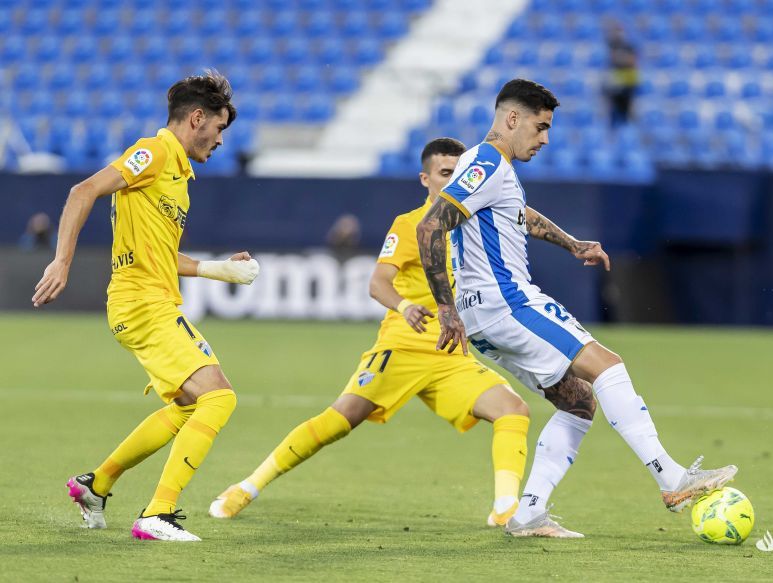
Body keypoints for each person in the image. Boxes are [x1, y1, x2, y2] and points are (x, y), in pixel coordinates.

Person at [416, 79, 737, 538]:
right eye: (540, 127)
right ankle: (671, 478)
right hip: (504, 300)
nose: (545, 139)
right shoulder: (487, 162)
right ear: (512, 119)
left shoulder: (489, 168)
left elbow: (518, 216)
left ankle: (527, 513)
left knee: (578, 401)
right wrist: (444, 308)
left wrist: (571, 244)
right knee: (607, 366)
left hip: (482, 317)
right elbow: (430, 228)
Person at [208, 138, 532, 528]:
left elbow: (523, 218)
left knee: (513, 410)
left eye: (457, 174)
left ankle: (506, 510)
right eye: (444, 174)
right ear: (425, 178)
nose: (451, 182)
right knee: (341, 418)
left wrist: (571, 243)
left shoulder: (475, 222)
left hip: (451, 355)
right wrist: (405, 306)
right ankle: (246, 487)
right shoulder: (410, 225)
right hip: (404, 346)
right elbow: (378, 283)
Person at [32, 71, 259, 542]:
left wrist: (219, 269)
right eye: (218, 128)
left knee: (186, 407)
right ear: (196, 118)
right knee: (220, 398)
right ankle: (158, 513)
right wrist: (61, 261)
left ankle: (96, 485)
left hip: (146, 301)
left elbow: (162, 254)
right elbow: (82, 191)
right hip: (143, 303)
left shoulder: (177, 172)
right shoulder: (154, 152)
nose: (220, 141)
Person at [603, 22, 639, 129]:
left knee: (627, 108)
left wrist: (620, 59)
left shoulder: (628, 46)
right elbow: (613, 59)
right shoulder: (611, 44)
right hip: (615, 81)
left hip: (627, 82)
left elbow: (632, 61)